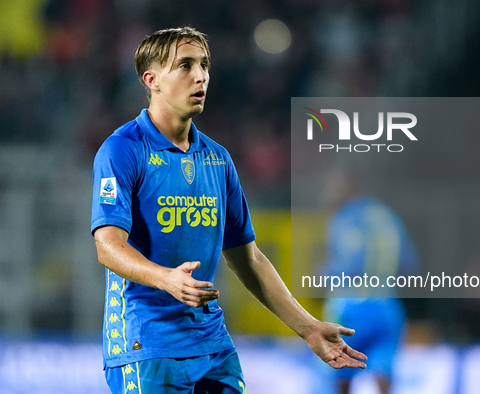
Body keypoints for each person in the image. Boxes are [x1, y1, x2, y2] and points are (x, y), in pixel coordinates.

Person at [91, 27, 366, 394]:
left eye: (204, 65)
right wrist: (167, 278)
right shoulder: (123, 149)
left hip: (212, 343)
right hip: (146, 344)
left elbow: (249, 259)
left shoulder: (217, 160)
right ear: (151, 80)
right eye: (185, 65)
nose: (200, 75)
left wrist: (308, 327)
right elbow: (107, 246)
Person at [320, 169, 419, 394]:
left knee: (340, 371)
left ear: (345, 189)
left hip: (350, 307)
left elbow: (350, 262)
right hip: (387, 306)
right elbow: (409, 263)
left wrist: (324, 274)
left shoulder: (343, 218)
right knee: (383, 372)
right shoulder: (387, 216)